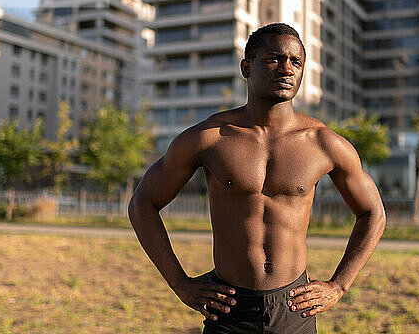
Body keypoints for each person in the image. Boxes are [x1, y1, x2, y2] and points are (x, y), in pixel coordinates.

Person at [129, 23, 386, 333]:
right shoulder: (210, 137)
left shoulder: (323, 143)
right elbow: (142, 203)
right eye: (274, 58)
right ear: (246, 67)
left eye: (296, 61)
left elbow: (373, 213)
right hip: (228, 308)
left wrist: (339, 286)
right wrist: (180, 284)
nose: (286, 69)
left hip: (294, 308)